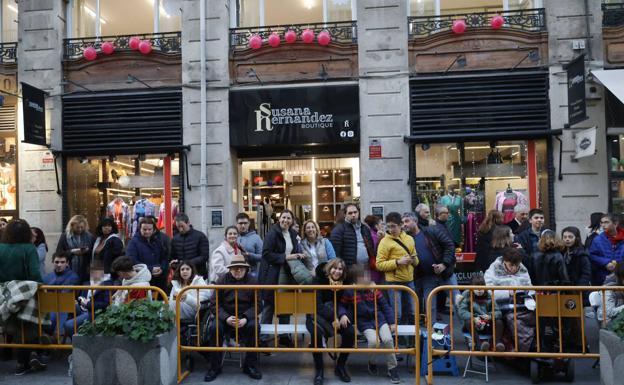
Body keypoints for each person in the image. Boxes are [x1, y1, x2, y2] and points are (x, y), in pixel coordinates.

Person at [203, 254, 262, 382]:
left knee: (254, 327)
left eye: (241, 267)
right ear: (230, 269)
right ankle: (215, 367)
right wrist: (226, 318)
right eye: (235, 268)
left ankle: (250, 365)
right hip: (226, 315)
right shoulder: (222, 279)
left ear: (246, 269)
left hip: (245, 315)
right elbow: (214, 304)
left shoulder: (252, 281)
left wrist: (246, 318)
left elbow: (258, 304)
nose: (238, 270)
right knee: (215, 329)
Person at [340, 265, 400, 384]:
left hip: (380, 319)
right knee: (374, 342)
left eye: (367, 275)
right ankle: (372, 362)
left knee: (388, 339)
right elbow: (342, 305)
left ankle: (392, 368)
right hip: (364, 322)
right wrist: (342, 314)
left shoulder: (374, 288)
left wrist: (392, 322)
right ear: (356, 280)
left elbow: (385, 306)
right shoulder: (350, 291)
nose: (367, 277)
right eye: (363, 276)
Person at [0, 219, 45, 375]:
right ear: (27, 232)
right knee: (27, 328)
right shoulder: (29, 248)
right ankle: (22, 363)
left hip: (4, 293)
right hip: (25, 293)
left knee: (11, 327)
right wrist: (42, 286)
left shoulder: (1, 248)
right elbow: (34, 272)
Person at [305, 258, 354, 385]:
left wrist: (344, 315)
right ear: (329, 268)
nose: (337, 271)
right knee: (316, 335)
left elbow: (351, 304)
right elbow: (317, 305)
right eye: (334, 268)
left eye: (340, 269)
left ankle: (340, 366)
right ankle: (319, 370)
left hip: (338, 315)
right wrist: (334, 318)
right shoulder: (318, 281)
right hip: (316, 316)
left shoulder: (346, 283)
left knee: (349, 332)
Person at [401, 212, 456, 321]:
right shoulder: (405, 239)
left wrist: (444, 264)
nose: (404, 225)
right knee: (430, 309)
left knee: (458, 303)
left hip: (445, 274)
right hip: (426, 277)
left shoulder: (431, 231)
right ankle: (432, 336)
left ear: (415, 221)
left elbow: (449, 245)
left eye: (407, 221)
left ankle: (470, 334)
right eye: (402, 223)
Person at [258, 209, 300, 346]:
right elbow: (266, 254)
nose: (285, 220)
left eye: (288, 218)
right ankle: (263, 338)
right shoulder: (272, 233)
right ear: (279, 218)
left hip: (287, 273)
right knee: (269, 306)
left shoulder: (293, 233)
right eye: (283, 217)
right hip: (272, 274)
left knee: (285, 305)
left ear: (292, 221)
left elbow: (294, 250)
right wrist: (286, 257)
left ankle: (284, 336)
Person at [484, 247, 534, 352]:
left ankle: (530, 346)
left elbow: (530, 287)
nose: (514, 268)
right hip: (500, 306)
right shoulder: (493, 269)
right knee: (514, 319)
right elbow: (488, 291)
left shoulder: (523, 269)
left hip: (521, 306)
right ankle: (524, 349)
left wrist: (530, 296)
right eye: (511, 265)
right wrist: (508, 293)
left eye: (517, 265)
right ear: (504, 261)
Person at [376, 212, 418, 326]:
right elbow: (379, 264)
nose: (391, 229)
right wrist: (398, 262)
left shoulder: (409, 239)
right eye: (388, 226)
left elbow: (416, 259)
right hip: (393, 282)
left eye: (393, 226)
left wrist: (413, 260)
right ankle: (398, 341)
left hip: (409, 280)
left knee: (413, 313)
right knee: (397, 314)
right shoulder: (384, 242)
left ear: (400, 225)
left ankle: (414, 340)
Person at [63, 262, 116, 336]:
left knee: (69, 325)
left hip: (96, 312)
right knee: (67, 305)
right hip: (85, 308)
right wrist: (80, 301)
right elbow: (81, 298)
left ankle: (79, 344)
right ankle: (59, 333)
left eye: (98, 271)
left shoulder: (108, 284)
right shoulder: (86, 283)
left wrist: (88, 304)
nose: (95, 273)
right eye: (93, 271)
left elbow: (106, 304)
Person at [457, 275, 504, 352]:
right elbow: (462, 311)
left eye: (481, 287)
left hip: (487, 325)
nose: (479, 290)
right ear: (471, 288)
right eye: (476, 288)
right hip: (474, 326)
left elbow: (498, 312)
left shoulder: (489, 296)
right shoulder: (466, 296)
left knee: (499, 322)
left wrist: (490, 316)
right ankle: (478, 345)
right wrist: (473, 318)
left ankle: (497, 343)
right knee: (468, 321)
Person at [125, 218, 167, 290]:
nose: (147, 232)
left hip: (159, 278)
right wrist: (151, 269)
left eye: (149, 229)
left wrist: (162, 268)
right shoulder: (133, 243)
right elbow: (132, 260)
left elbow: (164, 257)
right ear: (140, 229)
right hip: (141, 279)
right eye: (144, 229)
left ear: (153, 230)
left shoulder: (157, 241)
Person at [330, 203, 375, 268]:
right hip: (349, 269)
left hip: (366, 267)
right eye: (350, 213)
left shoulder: (364, 228)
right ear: (345, 215)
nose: (353, 215)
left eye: (355, 212)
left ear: (358, 213)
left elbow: (371, 247)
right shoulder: (339, 230)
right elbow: (336, 253)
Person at [55, 215, 94, 284]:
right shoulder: (65, 236)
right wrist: (72, 252)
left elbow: (93, 253)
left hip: (85, 269)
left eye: (82, 227)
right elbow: (59, 253)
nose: (80, 229)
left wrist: (87, 251)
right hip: (69, 268)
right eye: (77, 227)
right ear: (72, 226)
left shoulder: (89, 237)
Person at [170, 213, 210, 278]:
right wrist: (174, 263)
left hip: (198, 274)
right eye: (178, 227)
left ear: (188, 223)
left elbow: (204, 256)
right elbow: (172, 257)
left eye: (182, 226)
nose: (180, 229)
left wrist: (186, 263)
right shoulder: (175, 239)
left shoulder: (200, 236)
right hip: (181, 276)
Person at [589, 213, 624, 285]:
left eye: (606, 222)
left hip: (622, 276)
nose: (603, 225)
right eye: (601, 222)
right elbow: (592, 255)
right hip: (603, 277)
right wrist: (605, 263)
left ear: (615, 223)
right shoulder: (597, 239)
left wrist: (619, 266)